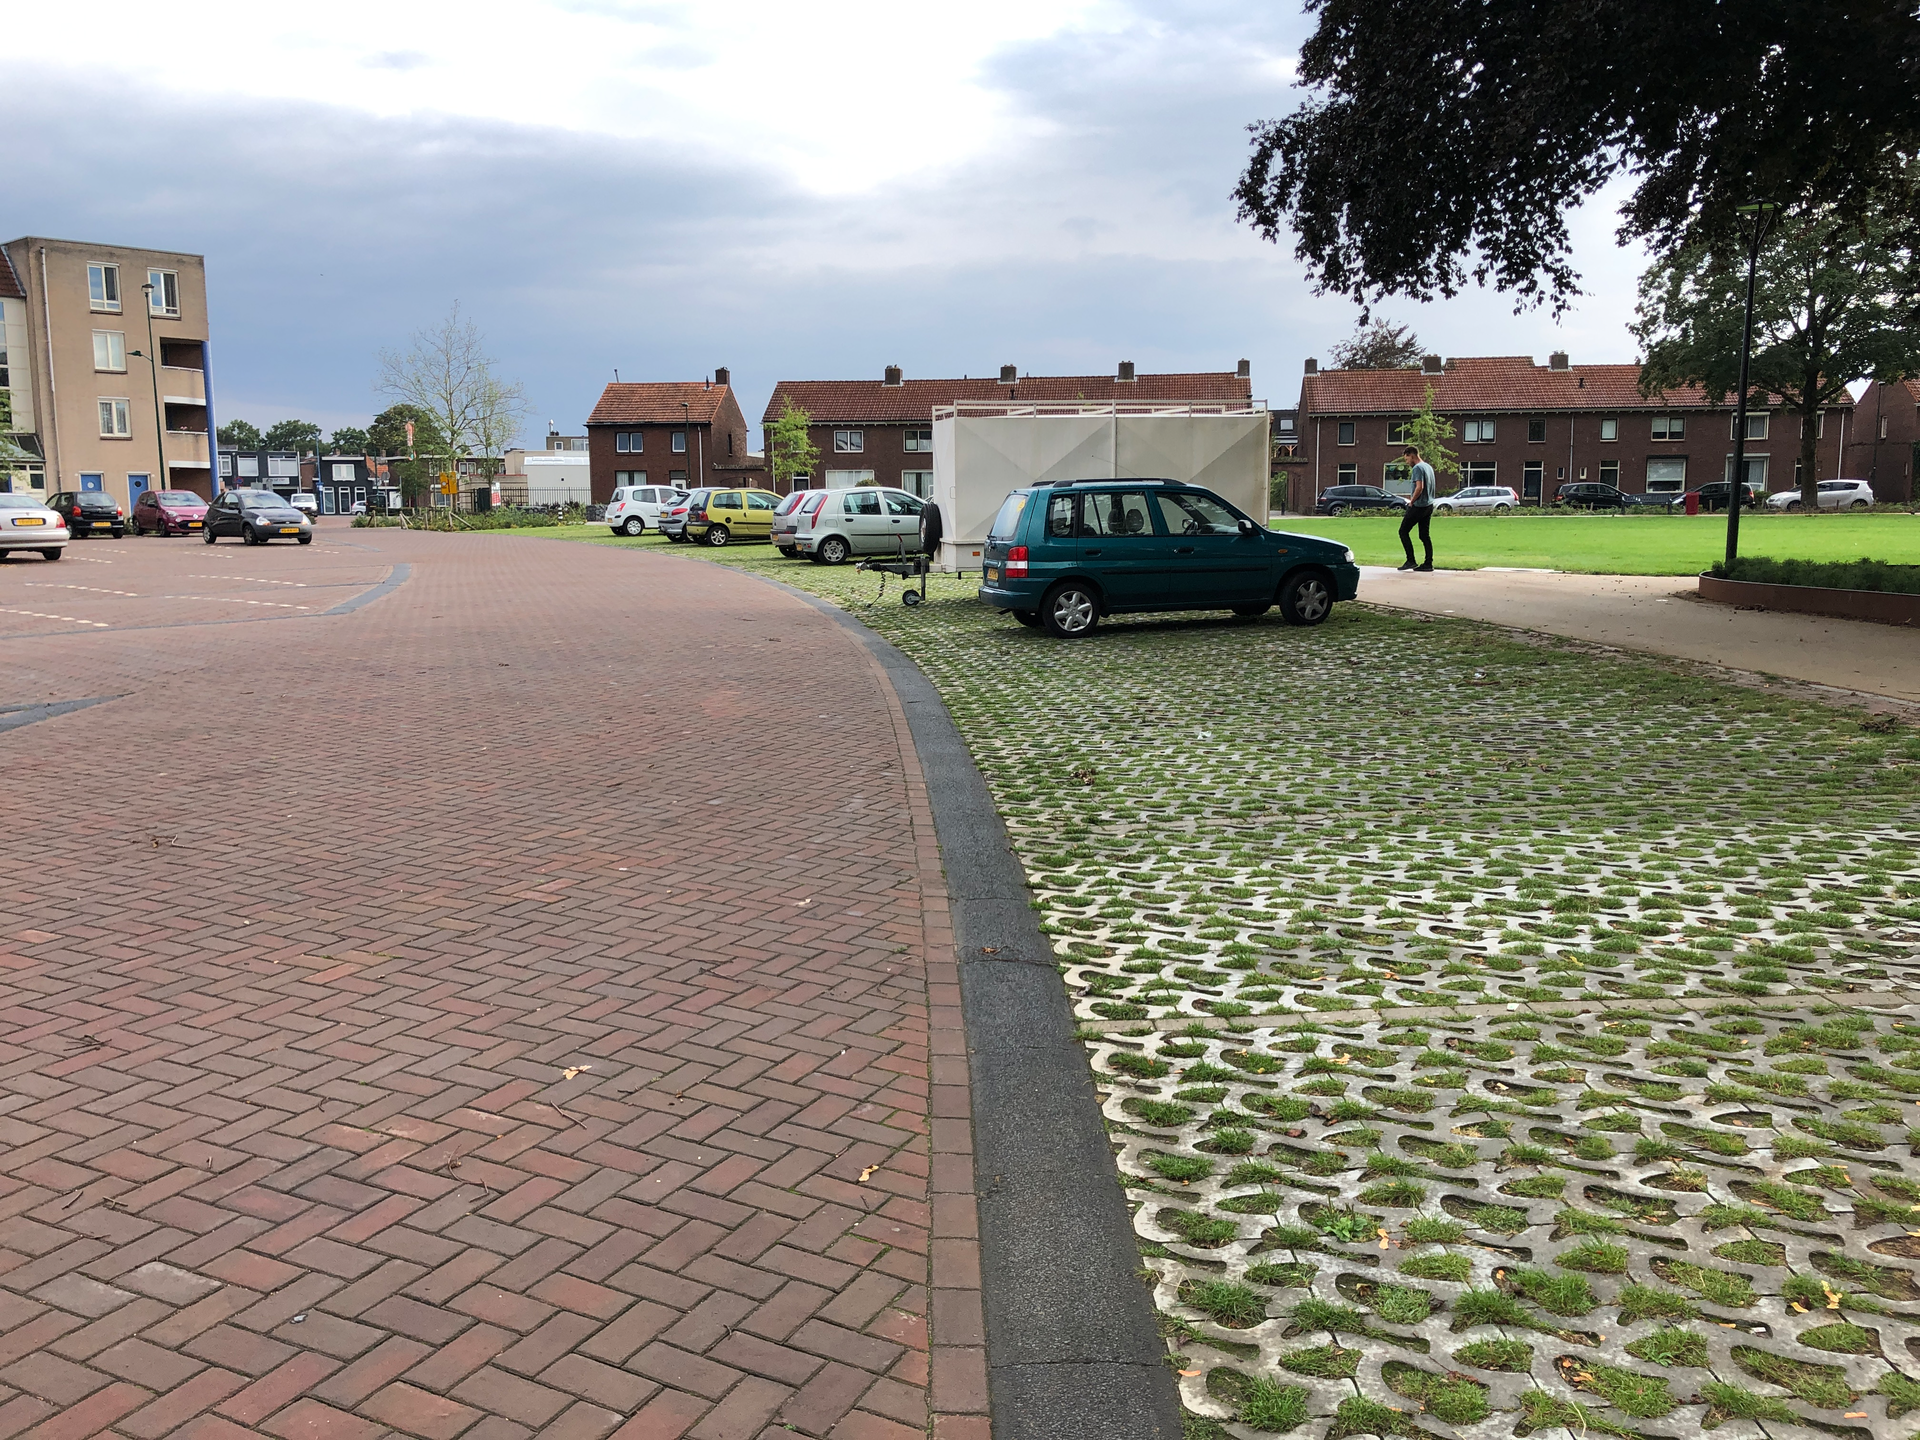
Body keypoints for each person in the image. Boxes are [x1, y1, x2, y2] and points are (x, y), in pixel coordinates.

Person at [1398, 445, 1435, 571]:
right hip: (1429, 505)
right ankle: (1428, 563)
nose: (1407, 462)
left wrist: (1411, 501)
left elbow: (1420, 487)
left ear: (1411, 455)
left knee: (1403, 531)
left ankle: (1411, 560)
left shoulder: (1417, 468)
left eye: (1406, 459)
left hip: (1418, 506)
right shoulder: (1428, 467)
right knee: (1424, 535)